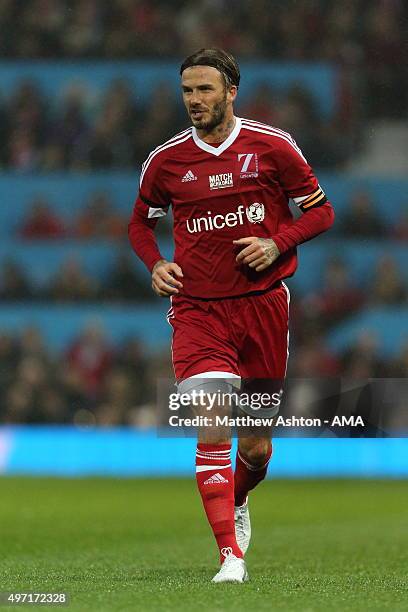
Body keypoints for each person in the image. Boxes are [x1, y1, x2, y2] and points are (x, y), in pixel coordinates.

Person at [129, 48, 334, 583]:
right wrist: (155, 264)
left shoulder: (272, 146)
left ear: (230, 91)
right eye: (187, 92)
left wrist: (277, 241)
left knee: (258, 446)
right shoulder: (166, 161)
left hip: (264, 305)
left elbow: (322, 210)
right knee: (213, 423)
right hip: (197, 309)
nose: (194, 101)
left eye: (204, 90)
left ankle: (235, 498)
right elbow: (139, 225)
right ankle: (230, 557)